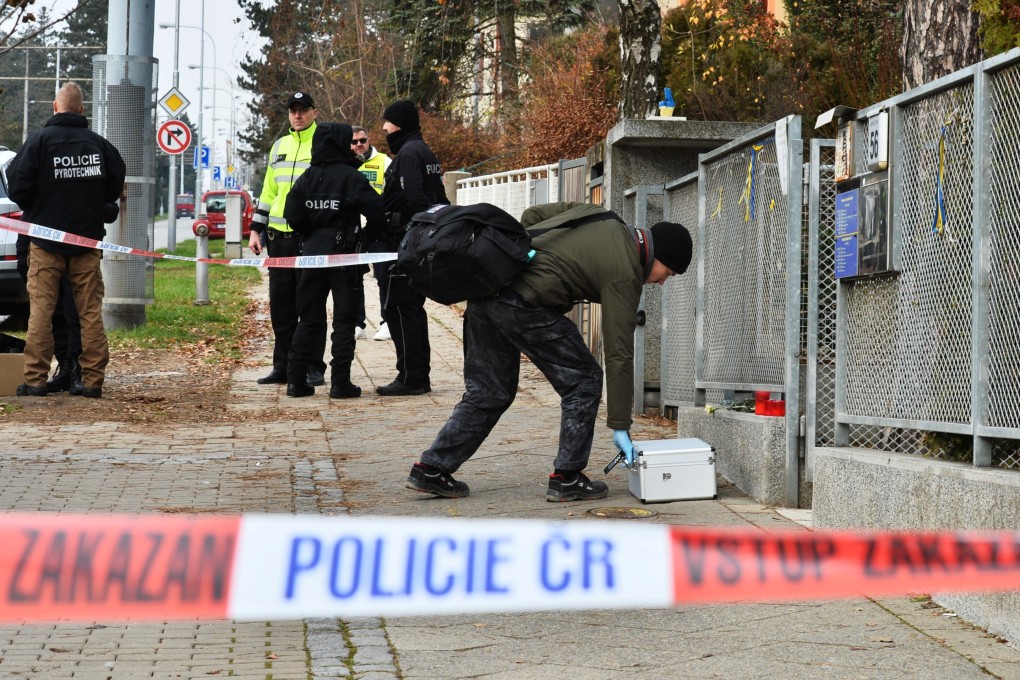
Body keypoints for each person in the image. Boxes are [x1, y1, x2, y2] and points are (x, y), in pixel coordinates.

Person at [406, 203, 693, 502]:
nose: (662, 281)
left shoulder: (599, 214)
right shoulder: (626, 271)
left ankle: (431, 469)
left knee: (489, 392)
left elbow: (532, 216)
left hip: (487, 291)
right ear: (657, 255)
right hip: (525, 305)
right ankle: (567, 478)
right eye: (668, 272)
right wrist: (620, 425)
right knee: (584, 381)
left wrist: (522, 262)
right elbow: (619, 353)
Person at [7, 81, 126, 399]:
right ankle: (92, 380)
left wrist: (42, 205)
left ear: (55, 107)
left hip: (45, 242)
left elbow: (18, 188)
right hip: (87, 243)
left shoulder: (38, 142)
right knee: (89, 312)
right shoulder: (100, 145)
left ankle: (35, 380)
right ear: (82, 109)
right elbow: (114, 189)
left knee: (41, 311)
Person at [283, 123, 386, 398]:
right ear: (342, 144)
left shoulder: (306, 177)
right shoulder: (351, 177)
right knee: (344, 320)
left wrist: (310, 234)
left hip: (311, 256)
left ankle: (296, 381)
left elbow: (291, 214)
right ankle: (341, 383)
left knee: (308, 319)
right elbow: (377, 212)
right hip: (344, 254)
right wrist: (366, 238)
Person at [248, 91, 327, 387]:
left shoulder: (323, 142)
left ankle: (313, 367)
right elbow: (269, 191)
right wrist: (255, 229)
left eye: (303, 110)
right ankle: (282, 366)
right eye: (293, 111)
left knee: (311, 305)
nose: (297, 115)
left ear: (314, 112)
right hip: (278, 239)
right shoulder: (280, 145)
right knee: (281, 307)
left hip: (309, 238)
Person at [377, 99, 449, 396]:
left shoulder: (408, 153)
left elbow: (416, 200)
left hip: (405, 243)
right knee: (410, 308)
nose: (384, 128)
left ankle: (412, 377)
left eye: (388, 122)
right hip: (415, 241)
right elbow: (440, 198)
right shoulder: (424, 150)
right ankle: (416, 375)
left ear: (400, 124)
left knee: (400, 308)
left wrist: (412, 235)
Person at [350, 125, 391, 341]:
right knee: (354, 277)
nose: (359, 145)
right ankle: (358, 324)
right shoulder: (346, 164)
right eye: (354, 141)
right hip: (354, 228)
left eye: (362, 140)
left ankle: (387, 321)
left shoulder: (384, 161)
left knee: (383, 275)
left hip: (378, 227)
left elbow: (394, 193)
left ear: (369, 140)